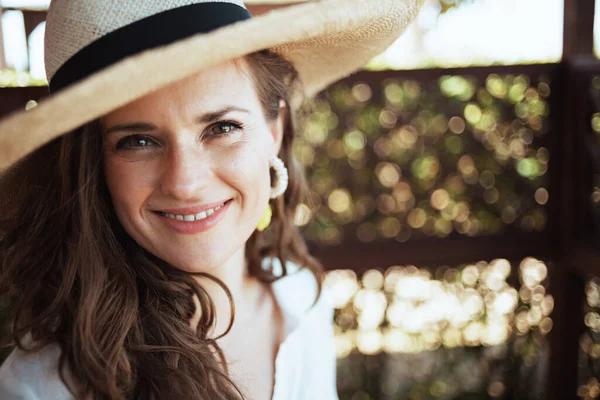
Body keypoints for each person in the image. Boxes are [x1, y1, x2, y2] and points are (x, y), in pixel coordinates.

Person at [0, 0, 417, 398]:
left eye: (221, 128)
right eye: (138, 140)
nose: (185, 182)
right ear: (94, 166)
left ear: (274, 130)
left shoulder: (300, 297)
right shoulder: (46, 385)